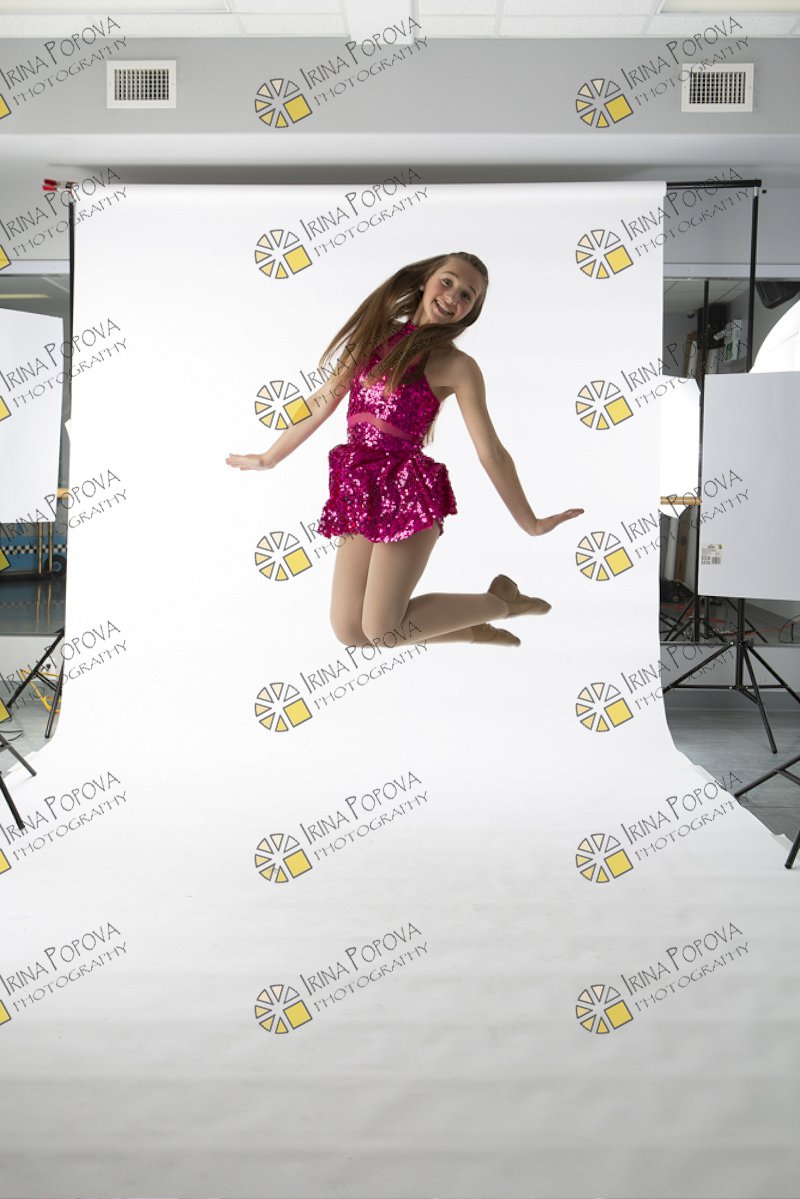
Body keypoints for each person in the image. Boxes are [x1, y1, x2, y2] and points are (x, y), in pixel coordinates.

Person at [227, 252, 583, 648]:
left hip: (407, 491)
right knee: (350, 630)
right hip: (360, 486)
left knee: (383, 630)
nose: (453, 296)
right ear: (425, 281)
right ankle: (472, 628)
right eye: (447, 282)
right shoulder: (372, 338)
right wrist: (270, 456)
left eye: (467, 295)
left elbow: (491, 452)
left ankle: (500, 603)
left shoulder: (458, 366)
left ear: (470, 311)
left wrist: (530, 522)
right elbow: (323, 398)